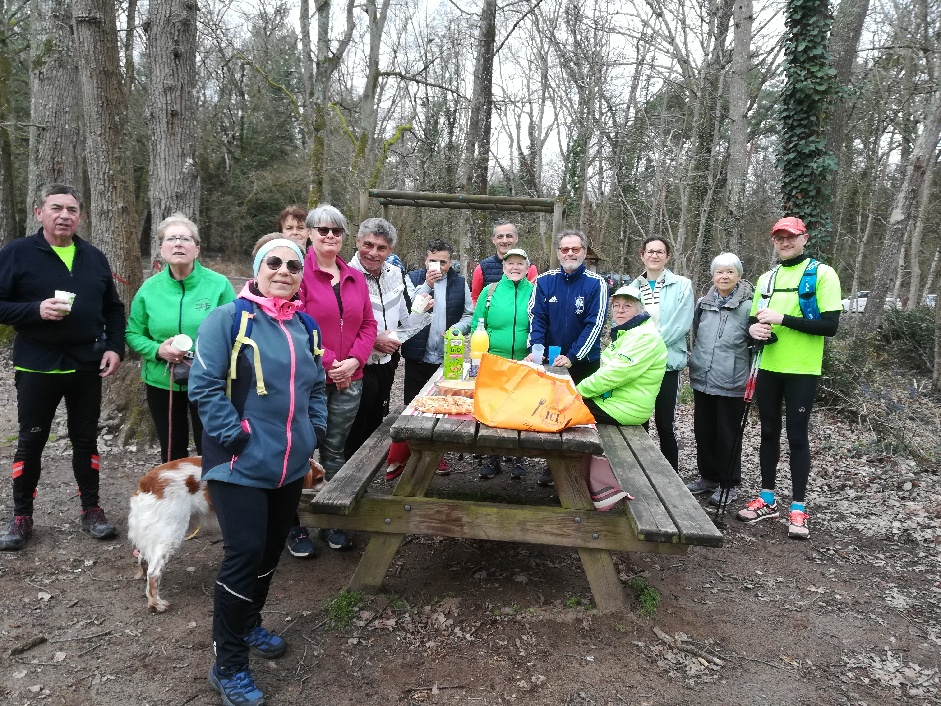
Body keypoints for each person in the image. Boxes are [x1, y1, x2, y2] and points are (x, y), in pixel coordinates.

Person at [188, 236, 327, 706]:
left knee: (269, 552)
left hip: (289, 463)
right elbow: (205, 385)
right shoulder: (228, 319)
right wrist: (236, 437)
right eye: (274, 262)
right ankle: (227, 664)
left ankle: (248, 624)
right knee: (244, 554)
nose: (283, 270)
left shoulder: (306, 326)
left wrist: (313, 431)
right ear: (257, 269)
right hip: (238, 463)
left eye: (293, 265)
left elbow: (317, 387)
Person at [0, 184, 125, 551]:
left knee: (85, 439)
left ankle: (92, 510)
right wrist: (34, 310)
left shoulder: (93, 256)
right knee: (31, 440)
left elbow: (113, 308)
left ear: (80, 216)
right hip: (37, 364)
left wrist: (115, 347)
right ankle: (22, 516)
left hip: (86, 364)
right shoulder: (17, 253)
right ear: (39, 212)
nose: (64, 215)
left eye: (71, 210)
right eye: (56, 208)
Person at [738, 217, 841, 540]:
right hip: (768, 366)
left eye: (791, 237)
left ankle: (798, 508)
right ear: (774, 241)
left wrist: (783, 318)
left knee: (797, 437)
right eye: (779, 238)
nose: (785, 242)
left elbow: (830, 326)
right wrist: (754, 330)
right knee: (768, 432)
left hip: (802, 369)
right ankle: (767, 498)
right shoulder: (767, 278)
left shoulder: (822, 274)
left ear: (804, 238)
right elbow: (753, 321)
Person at [296, 204, 377, 551]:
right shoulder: (298, 273)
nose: (330, 236)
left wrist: (354, 360)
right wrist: (330, 362)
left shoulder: (355, 277)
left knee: (334, 448)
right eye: (323, 230)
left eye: (337, 231)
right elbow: (297, 323)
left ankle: (331, 520)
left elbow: (368, 324)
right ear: (310, 233)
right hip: (309, 379)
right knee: (300, 450)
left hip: (350, 379)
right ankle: (296, 524)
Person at [126, 213, 235, 463]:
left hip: (209, 381)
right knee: (171, 450)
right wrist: (157, 350)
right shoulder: (149, 289)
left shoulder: (218, 285)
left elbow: (236, 331)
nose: (178, 244)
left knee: (211, 446)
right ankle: (176, 488)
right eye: (171, 239)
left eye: (185, 239)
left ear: (197, 249)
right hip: (162, 381)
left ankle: (212, 487)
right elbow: (133, 333)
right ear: (161, 249)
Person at [344, 218, 432, 460]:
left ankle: (367, 473)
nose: (373, 253)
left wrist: (421, 310)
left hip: (386, 363)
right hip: (356, 365)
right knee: (353, 430)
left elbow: (405, 321)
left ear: (391, 250)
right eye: (368, 245)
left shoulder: (396, 273)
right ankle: (345, 477)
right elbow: (338, 326)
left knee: (376, 424)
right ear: (357, 242)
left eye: (381, 248)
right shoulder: (345, 276)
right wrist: (373, 341)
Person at [527, 229, 608, 486]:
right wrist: (537, 349)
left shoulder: (596, 283)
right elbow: (537, 317)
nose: (570, 253)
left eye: (575, 249)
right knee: (550, 413)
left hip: (583, 363)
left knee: (580, 419)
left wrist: (573, 356)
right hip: (551, 362)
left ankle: (581, 473)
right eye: (565, 249)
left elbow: (595, 324)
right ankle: (553, 466)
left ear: (584, 252)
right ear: (558, 252)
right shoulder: (544, 281)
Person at [685, 253, 755, 507]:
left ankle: (729, 483)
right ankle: (708, 477)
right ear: (713, 275)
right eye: (719, 272)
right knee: (703, 431)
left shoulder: (749, 306)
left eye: (730, 272)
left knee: (728, 434)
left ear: (739, 275)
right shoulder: (703, 304)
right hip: (703, 377)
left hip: (732, 379)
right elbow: (695, 334)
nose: (724, 276)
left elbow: (755, 344)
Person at [630, 236, 693, 472]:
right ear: (642, 255)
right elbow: (625, 323)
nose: (654, 255)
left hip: (668, 364)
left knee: (665, 425)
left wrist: (651, 346)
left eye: (659, 252)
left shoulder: (682, 285)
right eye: (650, 251)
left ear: (667, 256)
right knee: (639, 422)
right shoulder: (633, 288)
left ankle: (671, 477)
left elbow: (681, 323)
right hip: (639, 366)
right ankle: (641, 473)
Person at [471, 247, 534, 480]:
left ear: (527, 268)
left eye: (520, 263)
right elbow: (478, 324)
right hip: (494, 361)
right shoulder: (490, 291)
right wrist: (479, 357)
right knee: (494, 410)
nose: (515, 267)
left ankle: (519, 457)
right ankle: (492, 456)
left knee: (521, 410)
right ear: (504, 267)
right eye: (510, 263)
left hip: (525, 361)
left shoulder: (535, 292)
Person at [575, 285, 667, 426]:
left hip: (624, 409)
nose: (620, 310)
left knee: (561, 409)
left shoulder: (644, 336)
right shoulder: (628, 332)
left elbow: (615, 373)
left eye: (627, 306)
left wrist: (576, 391)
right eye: (616, 305)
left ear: (640, 309)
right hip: (611, 401)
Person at [401, 238, 474, 404]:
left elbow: (469, 314)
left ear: (450, 262)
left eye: (443, 262)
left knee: (445, 403)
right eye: (433, 261)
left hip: (448, 356)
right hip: (417, 357)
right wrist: (427, 285)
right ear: (425, 261)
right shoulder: (411, 278)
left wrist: (457, 329)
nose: (438, 267)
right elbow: (408, 311)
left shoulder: (460, 282)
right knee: (414, 405)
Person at [470, 221, 537, 303]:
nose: (504, 241)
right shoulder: (482, 268)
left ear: (516, 238)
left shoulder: (530, 268)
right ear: (493, 240)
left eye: (509, 236)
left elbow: (534, 297)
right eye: (500, 236)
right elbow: (475, 299)